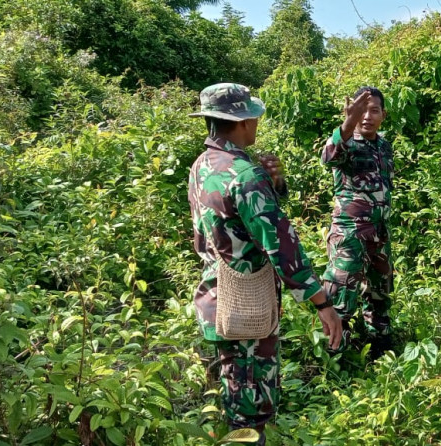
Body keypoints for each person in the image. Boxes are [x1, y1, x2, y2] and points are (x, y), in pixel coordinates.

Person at [187, 83, 342, 443]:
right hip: (247, 305)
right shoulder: (245, 174)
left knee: (233, 388)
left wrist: (275, 184)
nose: (257, 122)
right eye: (254, 116)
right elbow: (281, 247)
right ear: (241, 121)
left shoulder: (204, 164)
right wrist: (322, 303)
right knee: (252, 408)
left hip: (216, 296)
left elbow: (223, 227)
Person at [320, 86, 395, 358]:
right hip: (350, 234)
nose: (367, 116)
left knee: (380, 291)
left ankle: (380, 350)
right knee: (341, 295)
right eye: (362, 110)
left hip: (379, 233)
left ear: (383, 114)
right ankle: (335, 359)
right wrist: (348, 122)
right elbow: (328, 157)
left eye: (374, 110)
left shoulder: (384, 146)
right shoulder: (346, 142)